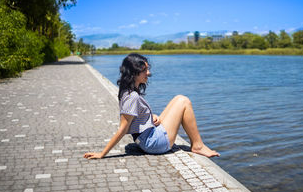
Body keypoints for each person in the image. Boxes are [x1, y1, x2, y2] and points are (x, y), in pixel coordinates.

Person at [84, 53, 219, 159]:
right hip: (154, 144)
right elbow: (123, 129)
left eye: (147, 69)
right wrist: (102, 154)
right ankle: (198, 146)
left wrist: (150, 118)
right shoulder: (132, 97)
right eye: (145, 70)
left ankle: (197, 144)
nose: (148, 73)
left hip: (147, 139)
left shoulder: (128, 92)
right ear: (134, 72)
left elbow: (135, 119)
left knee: (177, 98)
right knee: (184, 101)